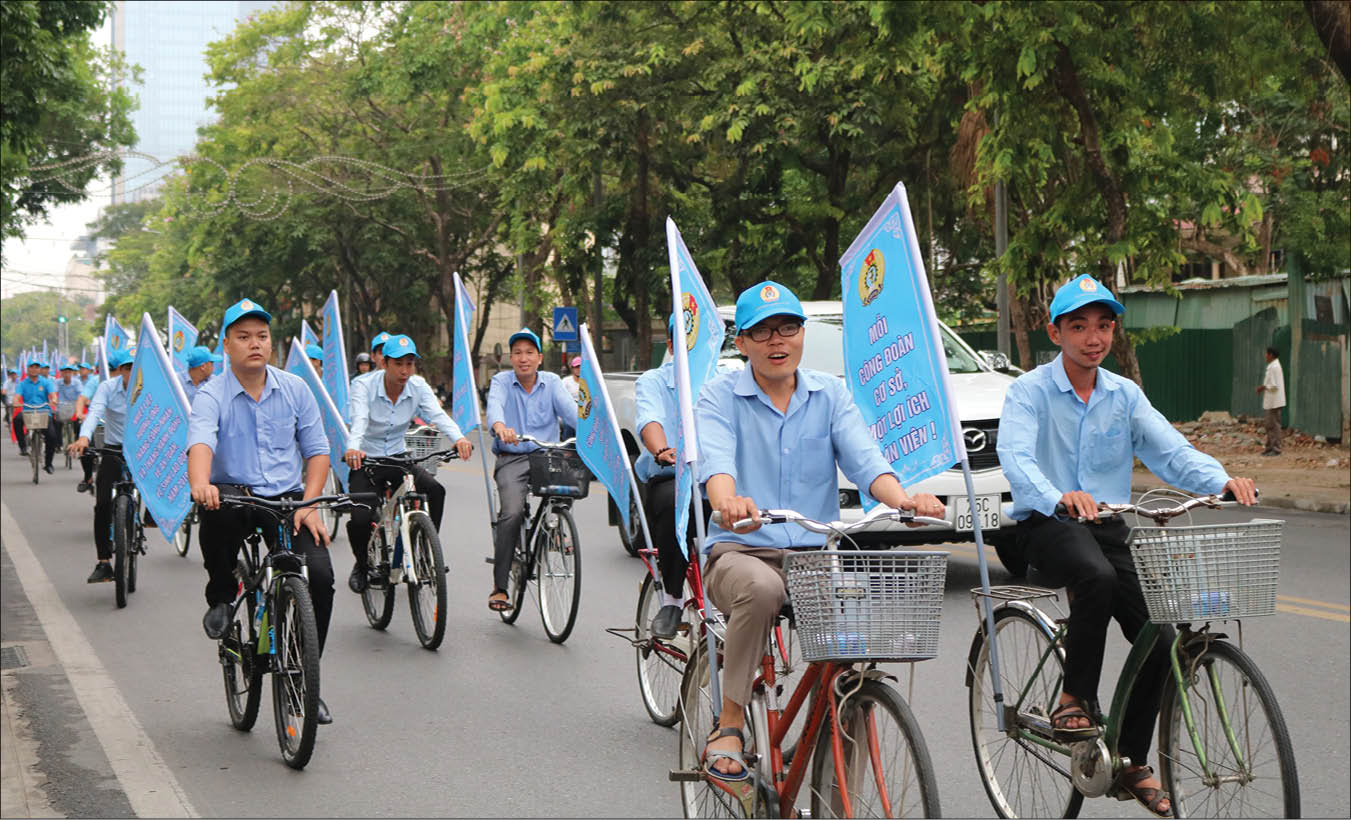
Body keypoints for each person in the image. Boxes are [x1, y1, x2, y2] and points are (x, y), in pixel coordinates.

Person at [997, 273, 1258, 818]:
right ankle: (1073, 699)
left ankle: (1131, 758)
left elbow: (1171, 449)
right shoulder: (1029, 391)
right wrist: (1057, 495)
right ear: (1056, 331)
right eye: (1079, 326)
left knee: (1161, 631)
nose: (1093, 337)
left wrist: (1220, 480)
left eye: (1103, 325)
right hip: (1045, 522)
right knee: (1096, 577)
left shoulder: (1123, 394)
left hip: (1109, 523)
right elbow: (1017, 459)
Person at [695, 281, 943, 782]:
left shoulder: (830, 394)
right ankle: (730, 724)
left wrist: (904, 500)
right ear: (740, 343)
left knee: (855, 652)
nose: (776, 339)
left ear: (802, 335)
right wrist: (728, 502)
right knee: (762, 590)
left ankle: (829, 763)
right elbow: (717, 464)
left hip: (814, 558)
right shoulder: (719, 395)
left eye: (787, 327)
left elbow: (866, 460)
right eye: (761, 331)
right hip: (740, 550)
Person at [187, 298, 336, 724]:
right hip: (234, 493)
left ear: (271, 343)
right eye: (243, 337)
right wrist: (201, 483)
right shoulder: (211, 393)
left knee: (321, 576)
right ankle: (220, 594)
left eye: (262, 336)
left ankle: (304, 682)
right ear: (227, 346)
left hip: (288, 498)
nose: (254, 343)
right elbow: (201, 441)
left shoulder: (295, 388)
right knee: (217, 514)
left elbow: (318, 451)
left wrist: (309, 505)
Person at [343, 334, 473, 592]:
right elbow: (358, 419)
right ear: (385, 363)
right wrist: (353, 447)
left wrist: (459, 438)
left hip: (398, 457)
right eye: (399, 363)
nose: (405, 370)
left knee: (435, 490)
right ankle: (362, 565)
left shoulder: (418, 386)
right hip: (367, 459)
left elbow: (437, 414)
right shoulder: (364, 386)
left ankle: (425, 549)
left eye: (410, 364)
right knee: (360, 517)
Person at [485, 327, 579, 611]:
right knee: (511, 513)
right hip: (511, 457)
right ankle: (500, 587)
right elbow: (494, 410)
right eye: (517, 353)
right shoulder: (501, 381)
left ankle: (554, 524)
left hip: (546, 455)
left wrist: (596, 433)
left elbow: (572, 414)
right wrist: (500, 428)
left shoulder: (551, 382)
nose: (523, 358)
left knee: (570, 479)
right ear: (511, 358)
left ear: (539, 358)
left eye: (529, 353)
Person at [635, 315, 714, 638]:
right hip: (670, 475)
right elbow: (649, 420)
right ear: (670, 346)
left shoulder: (722, 381)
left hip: (714, 479)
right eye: (682, 342)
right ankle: (672, 597)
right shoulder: (653, 381)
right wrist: (662, 450)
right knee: (672, 503)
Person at [68, 350, 135, 582]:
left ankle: (146, 519)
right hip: (113, 449)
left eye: (136, 368)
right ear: (120, 371)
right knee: (103, 503)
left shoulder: (151, 389)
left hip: (141, 451)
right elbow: (95, 411)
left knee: (155, 489)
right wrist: (84, 437)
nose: (132, 372)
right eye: (128, 368)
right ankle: (104, 561)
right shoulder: (107, 387)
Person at [15, 361, 59, 471]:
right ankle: (23, 446)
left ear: (39, 369)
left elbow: (53, 395)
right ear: (27, 369)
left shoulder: (46, 382)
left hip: (44, 412)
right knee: (16, 419)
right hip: (28, 412)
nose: (34, 369)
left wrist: (54, 400)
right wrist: (15, 402)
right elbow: (16, 397)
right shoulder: (22, 383)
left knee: (52, 437)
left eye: (37, 367)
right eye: (31, 367)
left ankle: (48, 464)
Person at [1256, 346, 1285, 456]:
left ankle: (1275, 449)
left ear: (1271, 355)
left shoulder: (1274, 367)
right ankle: (1270, 447)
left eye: (1267, 354)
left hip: (1274, 401)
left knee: (1273, 425)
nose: (1266, 356)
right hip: (1273, 401)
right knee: (1270, 425)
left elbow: (1273, 385)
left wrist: (1262, 387)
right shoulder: (1274, 366)